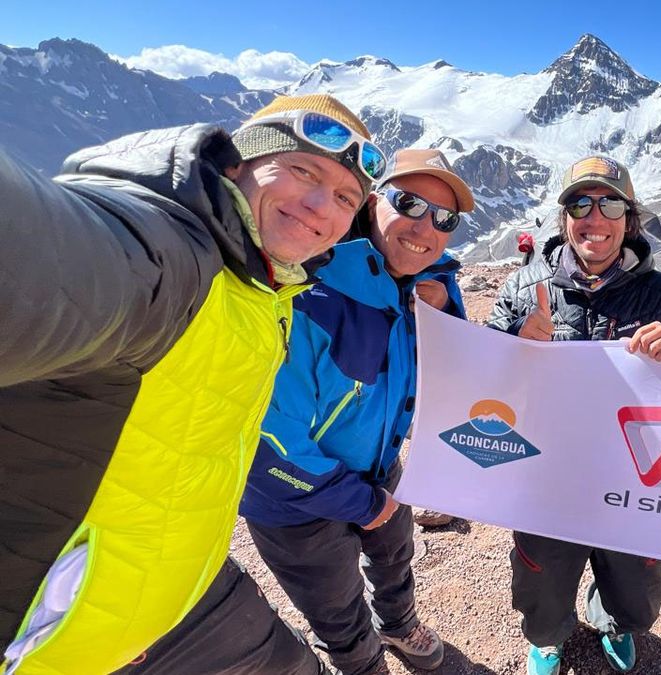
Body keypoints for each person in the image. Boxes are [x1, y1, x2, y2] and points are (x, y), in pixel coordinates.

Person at [0, 93, 383, 674]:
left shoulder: (265, 284)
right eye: (303, 170)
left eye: (344, 198)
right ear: (237, 164)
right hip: (51, 641)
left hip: (185, 592)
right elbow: (41, 254)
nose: (318, 206)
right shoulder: (167, 257)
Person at [238, 148, 474, 675]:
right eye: (409, 203)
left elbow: (457, 373)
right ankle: (363, 664)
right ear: (372, 203)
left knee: (395, 557)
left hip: (380, 465)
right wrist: (364, 504)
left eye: (445, 218)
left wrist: (449, 315)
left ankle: (397, 624)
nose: (425, 226)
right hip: (294, 501)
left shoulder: (429, 281)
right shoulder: (302, 291)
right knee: (335, 606)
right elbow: (264, 441)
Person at [487, 156, 661, 675]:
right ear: (563, 219)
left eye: (609, 204)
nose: (595, 216)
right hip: (544, 474)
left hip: (636, 473)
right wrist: (514, 347)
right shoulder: (524, 288)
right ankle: (547, 637)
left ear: (629, 220)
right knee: (541, 575)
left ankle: (615, 622)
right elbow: (483, 378)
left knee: (636, 577)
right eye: (580, 204)